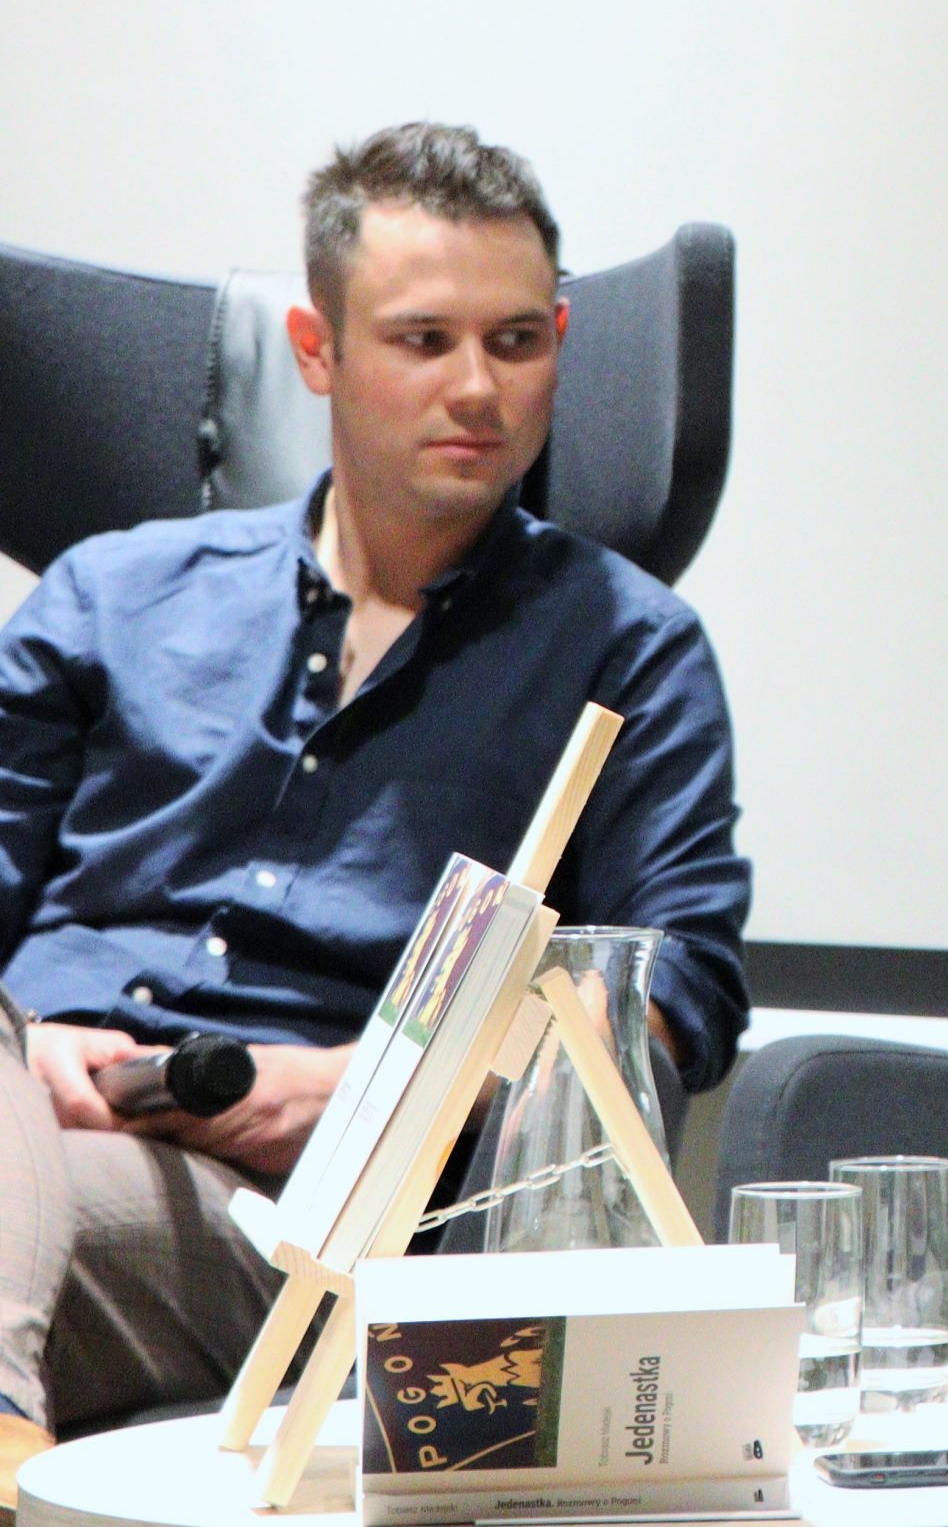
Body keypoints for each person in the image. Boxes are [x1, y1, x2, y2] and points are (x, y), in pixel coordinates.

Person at [0, 124, 752, 1497]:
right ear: (316, 349)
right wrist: (32, 1043)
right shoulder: (110, 595)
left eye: (516, 342)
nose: (477, 387)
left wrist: (369, 1088)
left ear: (560, 341)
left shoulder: (626, 649)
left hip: (299, 1216)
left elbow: (671, 998)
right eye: (423, 341)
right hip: (35, 1115)